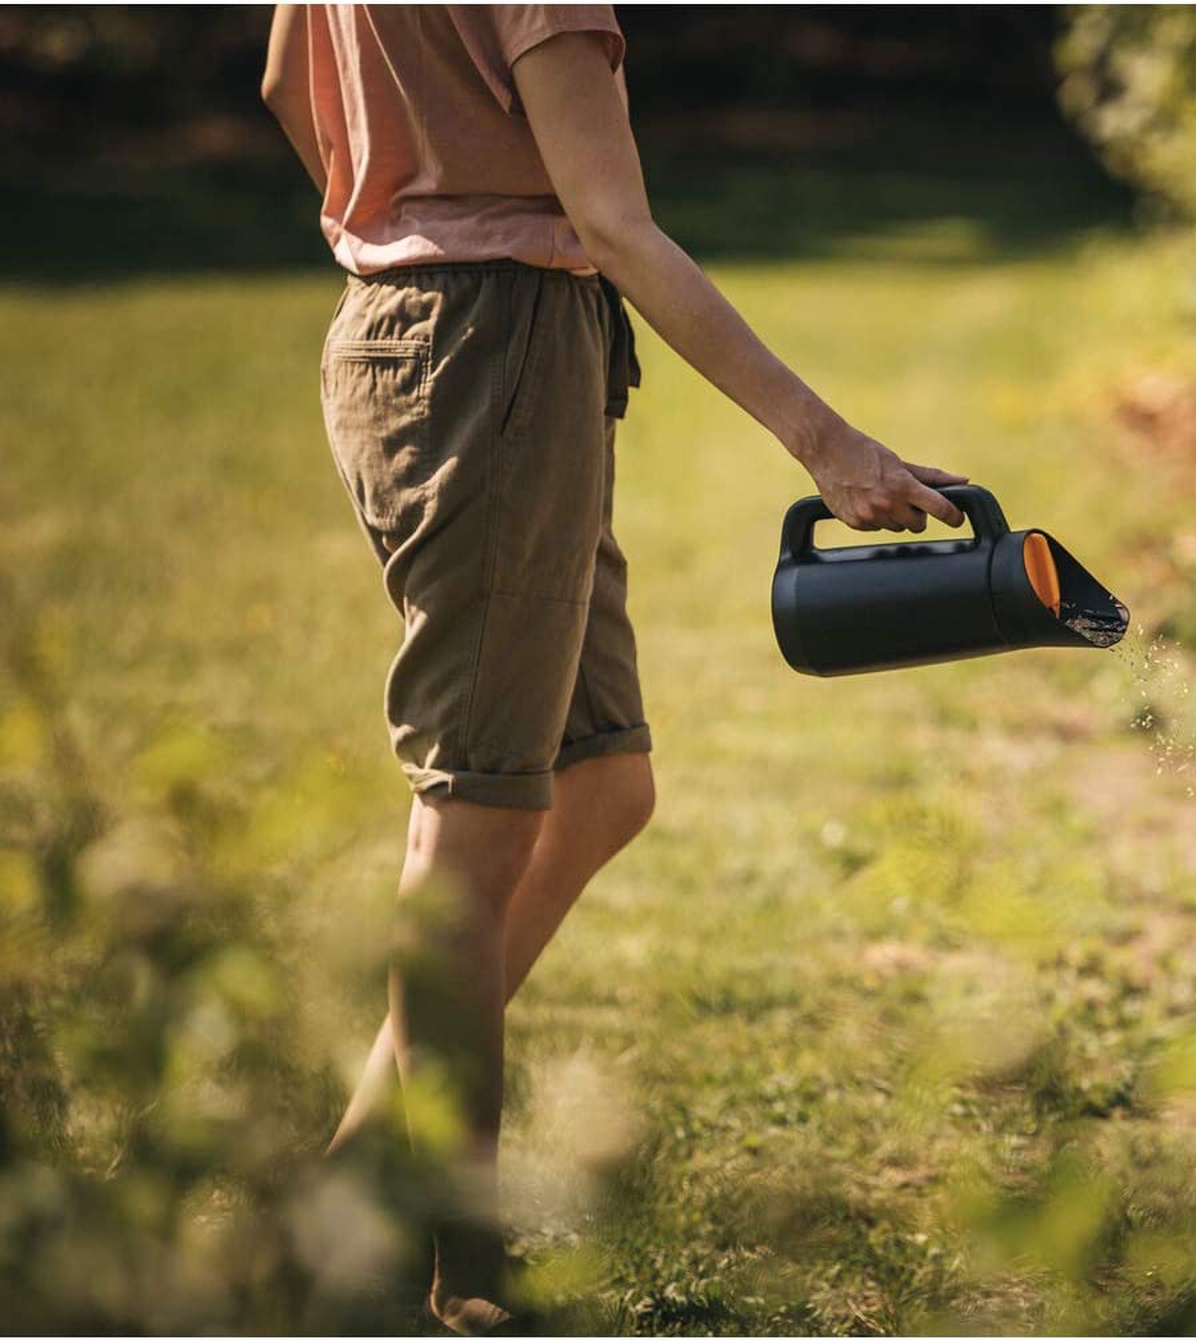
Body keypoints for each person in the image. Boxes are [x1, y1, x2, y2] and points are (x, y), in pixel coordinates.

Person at [260, 6, 967, 1331]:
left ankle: (354, 1175)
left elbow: (285, 82)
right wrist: (828, 444)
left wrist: (402, 205)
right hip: (493, 356)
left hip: (430, 340)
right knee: (473, 824)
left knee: (602, 785)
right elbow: (618, 223)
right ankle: (464, 1280)